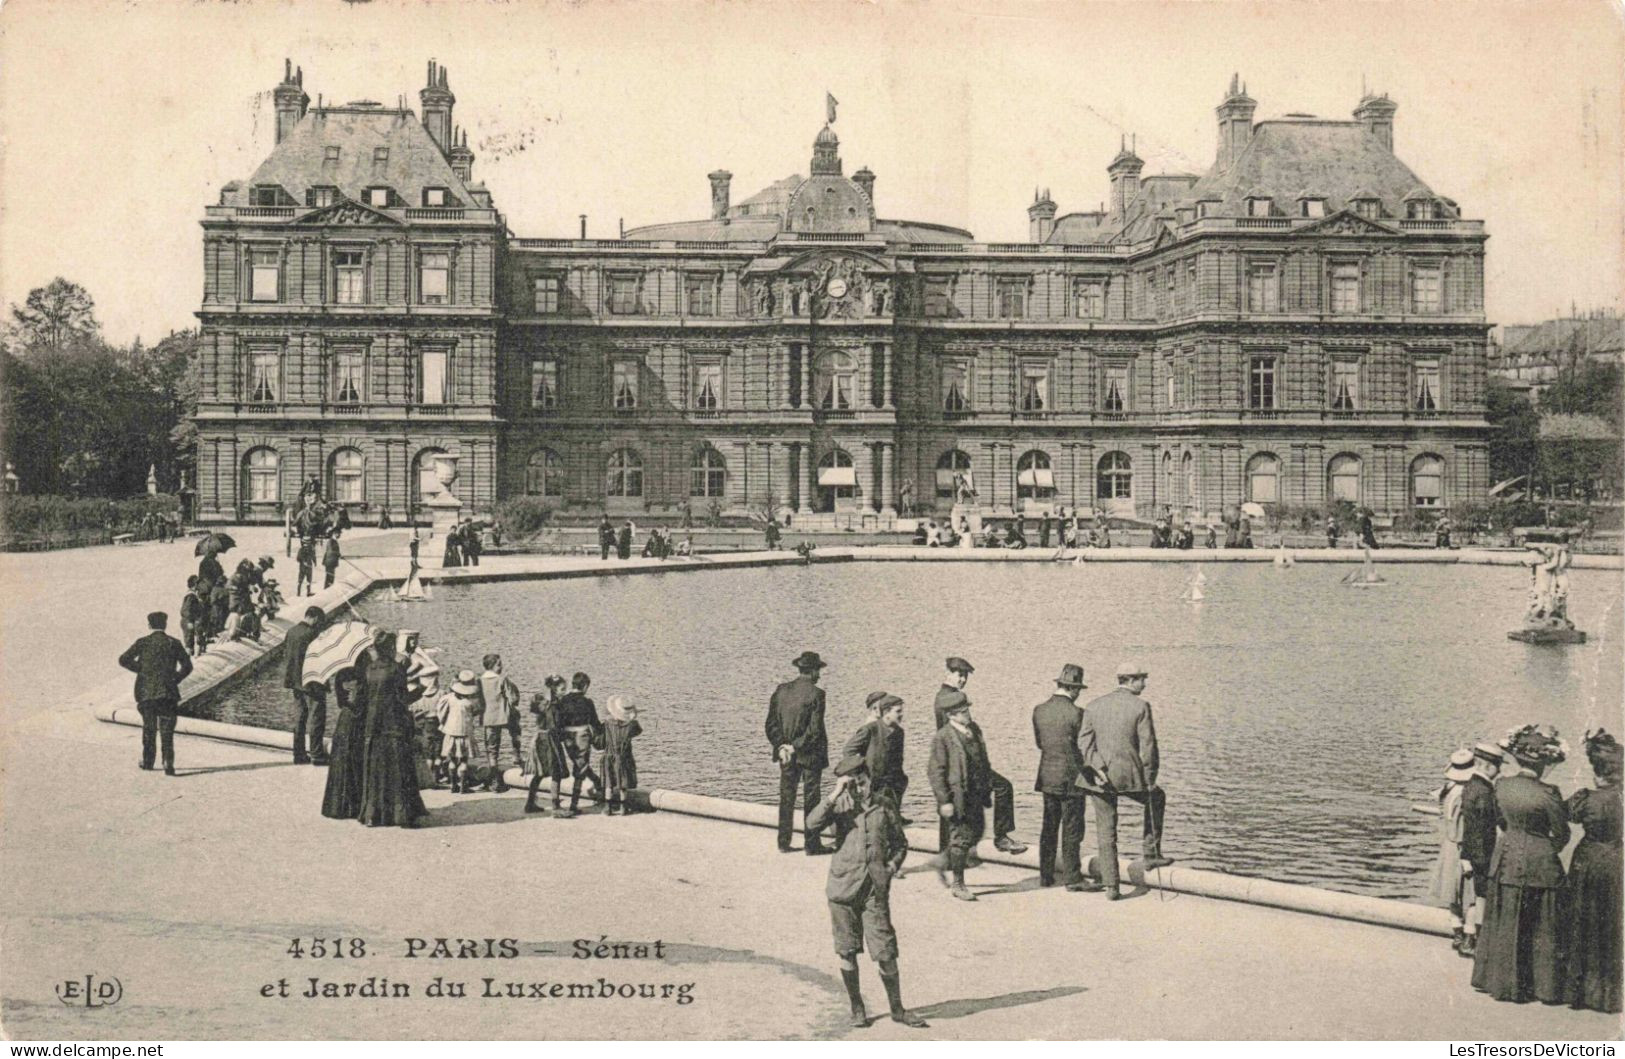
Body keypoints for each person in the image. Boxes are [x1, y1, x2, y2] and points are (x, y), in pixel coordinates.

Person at [806, 759, 929, 1030]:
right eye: (852, 784)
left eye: (861, 781)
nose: (858, 788)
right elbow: (811, 823)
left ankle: (897, 1009)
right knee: (847, 950)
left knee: (886, 951)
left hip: (874, 888)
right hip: (843, 888)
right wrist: (835, 794)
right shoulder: (839, 805)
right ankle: (857, 1006)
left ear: (869, 778)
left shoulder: (885, 805)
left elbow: (900, 843)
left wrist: (892, 866)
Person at [1471, 724, 1570, 1004]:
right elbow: (1562, 834)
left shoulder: (1502, 786)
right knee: (1541, 924)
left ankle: (1498, 981)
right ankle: (1542, 987)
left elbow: (1499, 821)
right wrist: (1545, 848)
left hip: (1505, 858)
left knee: (1505, 919)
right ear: (1545, 764)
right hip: (1540, 862)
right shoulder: (1548, 793)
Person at [1079, 660, 1172, 900]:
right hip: (1129, 776)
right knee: (1157, 798)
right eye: (1142, 678)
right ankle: (1151, 855)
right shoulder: (1140, 706)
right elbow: (1148, 748)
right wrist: (1150, 778)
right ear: (1130, 680)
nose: (1145, 683)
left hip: (1099, 778)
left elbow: (1084, 744)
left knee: (1106, 831)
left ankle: (1111, 886)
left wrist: (1098, 768)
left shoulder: (1093, 705)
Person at [932, 657, 1026, 857]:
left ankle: (946, 851)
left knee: (953, 807)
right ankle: (1001, 837)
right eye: (959, 675)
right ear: (947, 673)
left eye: (965, 676)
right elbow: (954, 733)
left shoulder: (946, 695)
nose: (963, 679)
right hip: (963, 763)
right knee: (1003, 787)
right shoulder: (948, 698)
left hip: (960, 761)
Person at [1564, 730, 1622, 1013]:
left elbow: (1563, 815)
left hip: (1587, 861)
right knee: (1611, 922)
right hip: (1616, 860)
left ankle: (1579, 992)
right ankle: (1610, 993)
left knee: (1581, 920)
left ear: (1597, 772)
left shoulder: (1586, 798)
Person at [1032, 664, 1095, 891]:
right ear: (1074, 689)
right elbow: (1084, 749)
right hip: (1073, 779)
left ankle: (1045, 875)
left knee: (1048, 827)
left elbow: (1040, 743)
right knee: (1072, 829)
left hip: (1047, 776)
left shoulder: (1039, 710)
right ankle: (1072, 878)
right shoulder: (1078, 714)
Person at [928, 693, 994, 902]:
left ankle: (944, 860)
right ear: (952, 715)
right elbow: (935, 772)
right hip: (958, 797)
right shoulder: (943, 737)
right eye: (964, 712)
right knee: (961, 837)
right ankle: (958, 883)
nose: (969, 714)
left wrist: (988, 786)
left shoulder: (974, 730)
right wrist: (944, 801)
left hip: (976, 794)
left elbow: (983, 760)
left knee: (977, 832)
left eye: (968, 710)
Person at [766, 651, 832, 855]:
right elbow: (814, 732)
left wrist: (782, 746)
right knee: (811, 799)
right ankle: (812, 844)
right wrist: (795, 746)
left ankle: (783, 842)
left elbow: (770, 725)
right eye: (818, 671)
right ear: (812, 671)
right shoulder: (817, 695)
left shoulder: (781, 691)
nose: (819, 676)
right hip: (810, 755)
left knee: (787, 797)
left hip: (786, 754)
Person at [118, 612, 193, 775]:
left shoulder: (142, 642)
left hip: (146, 691)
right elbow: (187, 666)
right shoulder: (173, 643)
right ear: (165, 625)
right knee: (167, 730)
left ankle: (148, 762)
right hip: (167, 692)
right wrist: (175, 679)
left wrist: (142, 670)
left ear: (149, 626)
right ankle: (168, 763)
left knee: (149, 728)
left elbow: (123, 659)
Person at [1427, 749, 1479, 955]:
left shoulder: (1446, 791)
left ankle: (1456, 932)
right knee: (1472, 894)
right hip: (1462, 845)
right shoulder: (1468, 795)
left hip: (1448, 844)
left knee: (1451, 893)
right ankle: (1468, 937)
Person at [1456, 742, 1504, 957]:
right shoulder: (1485, 792)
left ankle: (1468, 939)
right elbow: (1484, 828)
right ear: (1487, 766)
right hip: (1482, 853)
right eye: (1497, 765)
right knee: (1481, 897)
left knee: (1475, 897)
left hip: (1472, 851)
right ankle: (1474, 941)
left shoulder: (1470, 786)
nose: (1500, 770)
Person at [841, 692, 909, 808]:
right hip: (873, 782)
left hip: (893, 783)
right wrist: (860, 774)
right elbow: (848, 751)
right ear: (887, 712)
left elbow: (899, 759)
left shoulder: (899, 732)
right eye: (898, 711)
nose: (902, 714)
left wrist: (900, 779)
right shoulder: (870, 729)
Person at [319, 666, 367, 820]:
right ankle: (353, 806)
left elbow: (342, 703)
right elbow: (358, 703)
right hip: (354, 723)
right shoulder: (359, 676)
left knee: (341, 763)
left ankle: (337, 806)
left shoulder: (340, 675)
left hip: (343, 722)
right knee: (354, 762)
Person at [284, 606, 330, 765]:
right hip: (312, 682)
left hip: (295, 682)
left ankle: (299, 754)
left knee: (299, 718)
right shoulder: (312, 634)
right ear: (315, 618)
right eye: (320, 622)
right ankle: (317, 754)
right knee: (316, 718)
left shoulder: (291, 631)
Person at [556, 672, 604, 817]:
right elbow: (595, 723)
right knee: (580, 768)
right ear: (585, 686)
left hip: (567, 738)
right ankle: (573, 804)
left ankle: (597, 782)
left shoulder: (563, 700)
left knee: (579, 764)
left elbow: (559, 721)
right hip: (582, 736)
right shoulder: (587, 702)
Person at [524, 676, 569, 815]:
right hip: (550, 740)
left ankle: (530, 803)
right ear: (554, 689)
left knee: (539, 773)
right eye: (562, 689)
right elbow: (554, 725)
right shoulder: (552, 706)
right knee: (556, 772)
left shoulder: (543, 702)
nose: (564, 692)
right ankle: (556, 807)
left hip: (540, 738)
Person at [477, 654, 522, 790]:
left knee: (492, 750)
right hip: (504, 716)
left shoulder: (479, 681)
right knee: (516, 730)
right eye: (499, 664)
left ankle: (494, 780)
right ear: (492, 666)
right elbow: (513, 699)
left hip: (488, 718)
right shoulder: (502, 680)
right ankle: (517, 756)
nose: (501, 667)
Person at [436, 670, 480, 793]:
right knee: (464, 760)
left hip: (451, 732)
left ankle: (453, 785)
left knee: (452, 759)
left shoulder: (448, 699)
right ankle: (463, 786)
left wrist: (444, 723)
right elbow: (476, 712)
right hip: (465, 732)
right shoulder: (471, 702)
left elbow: (441, 713)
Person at [600, 694, 643, 816]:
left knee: (609, 783)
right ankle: (623, 807)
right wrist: (633, 718)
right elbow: (638, 731)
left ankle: (607, 807)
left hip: (609, 756)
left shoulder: (607, 724)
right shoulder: (630, 726)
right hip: (623, 757)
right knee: (623, 784)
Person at [180, 575, 206, 656]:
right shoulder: (190, 596)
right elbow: (186, 610)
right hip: (188, 621)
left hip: (191, 621)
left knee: (193, 640)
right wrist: (190, 621)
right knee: (189, 643)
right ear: (195, 585)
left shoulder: (194, 595)